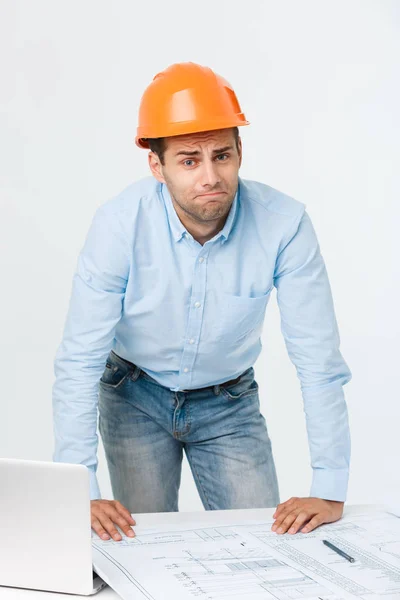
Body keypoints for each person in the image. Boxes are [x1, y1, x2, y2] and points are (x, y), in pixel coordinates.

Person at [52, 62, 351, 542]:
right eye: (190, 160)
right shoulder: (117, 225)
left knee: (261, 546)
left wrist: (330, 488)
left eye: (222, 155)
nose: (211, 176)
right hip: (133, 394)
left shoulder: (285, 225)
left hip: (228, 403)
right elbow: (78, 360)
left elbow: (318, 359)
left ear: (239, 153)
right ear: (157, 165)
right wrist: (79, 486)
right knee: (141, 547)